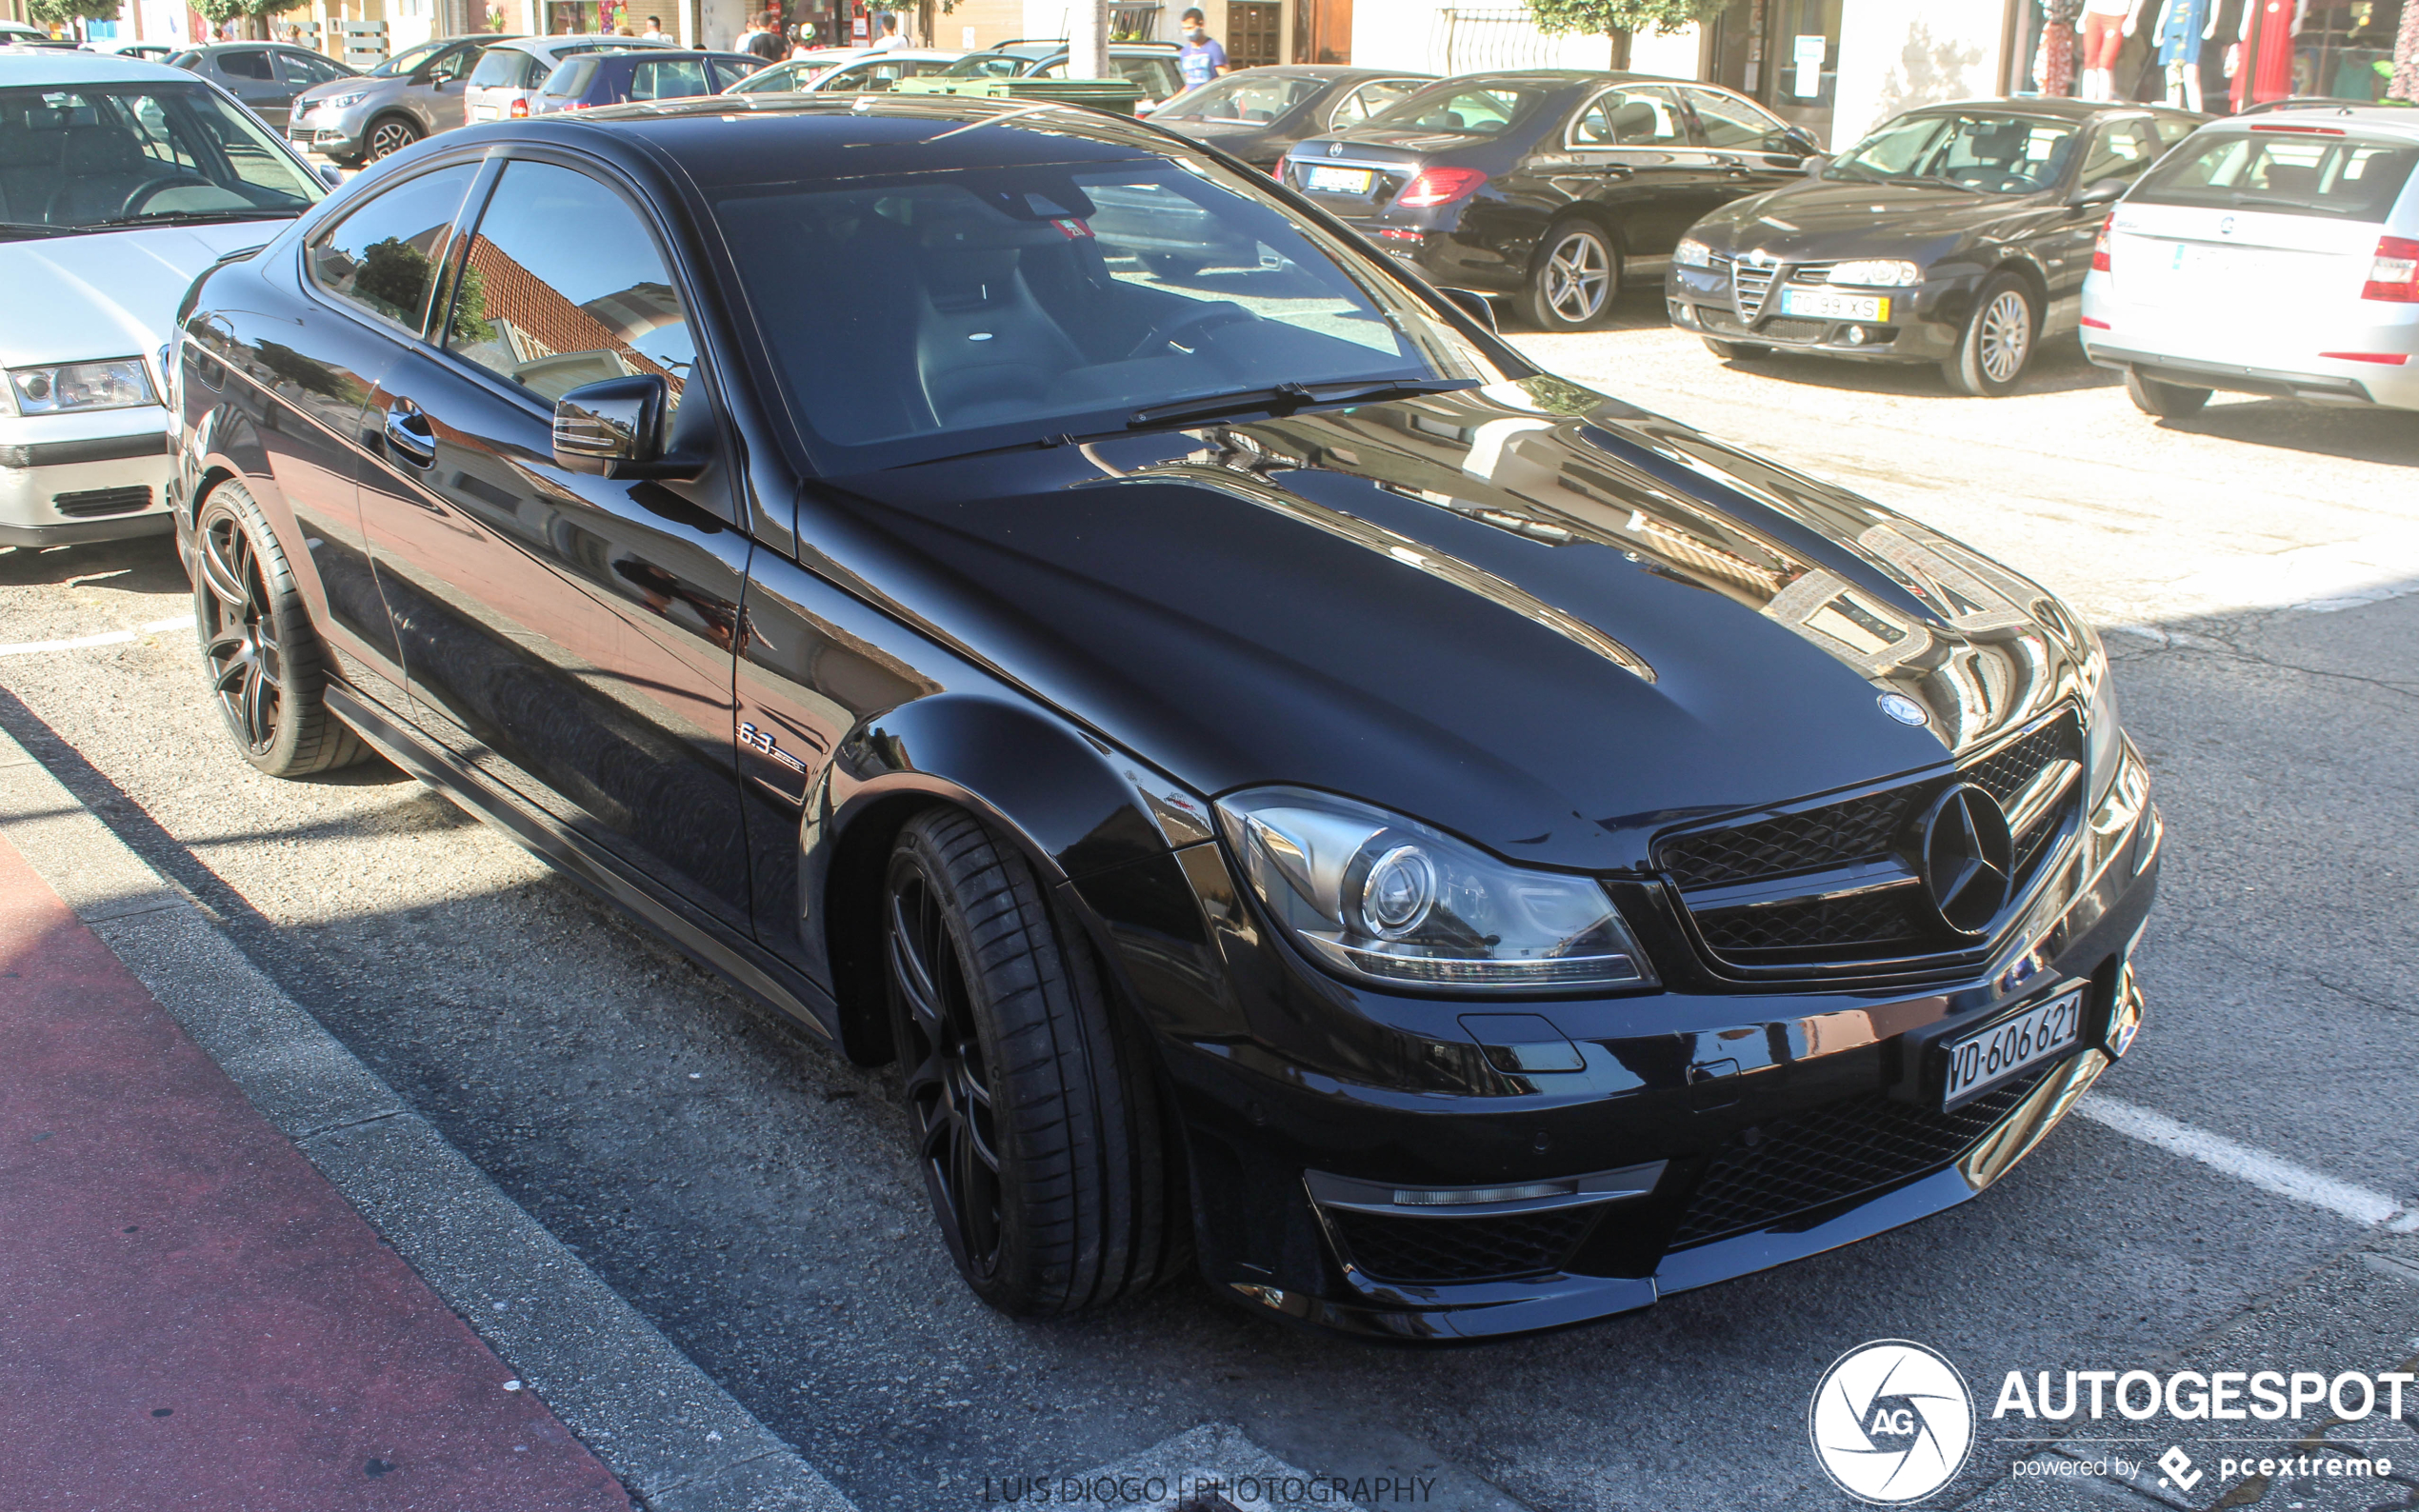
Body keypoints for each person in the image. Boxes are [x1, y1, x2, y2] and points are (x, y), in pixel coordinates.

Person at [1175, 7, 1227, 90]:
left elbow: (1225, 78)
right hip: (1193, 100)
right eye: (1184, 28)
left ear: (1201, 25)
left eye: (1190, 28)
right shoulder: (1184, 52)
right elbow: (1189, 85)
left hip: (1210, 98)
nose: (1186, 32)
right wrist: (1170, 101)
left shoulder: (1213, 48)